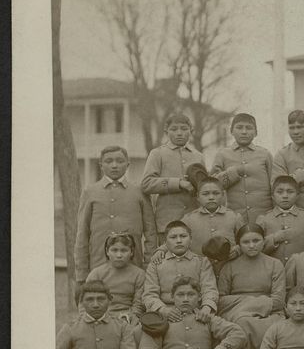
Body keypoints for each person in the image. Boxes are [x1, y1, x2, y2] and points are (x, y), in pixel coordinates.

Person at [74, 144, 156, 286]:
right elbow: (82, 235)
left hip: (133, 266)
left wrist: (149, 265)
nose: (114, 165)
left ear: (128, 164)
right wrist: (82, 274)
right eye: (108, 161)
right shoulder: (90, 192)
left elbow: (151, 233)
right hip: (98, 266)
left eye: (119, 161)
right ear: (101, 165)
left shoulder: (139, 192)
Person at [217, 223, 287, 349]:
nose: (252, 245)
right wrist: (247, 302)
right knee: (241, 323)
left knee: (271, 326)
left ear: (264, 241)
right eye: (246, 242)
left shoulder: (275, 264)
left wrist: (249, 304)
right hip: (235, 313)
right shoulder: (230, 266)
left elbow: (278, 300)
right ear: (238, 244)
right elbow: (220, 301)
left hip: (270, 313)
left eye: (256, 240)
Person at [141, 112, 205, 244]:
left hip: (193, 223)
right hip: (167, 224)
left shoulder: (198, 156)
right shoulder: (158, 153)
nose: (179, 133)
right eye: (174, 129)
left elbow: (204, 186)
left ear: (191, 131)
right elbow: (146, 184)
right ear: (166, 131)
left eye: (184, 129)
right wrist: (178, 183)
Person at [141, 220, 218, 318]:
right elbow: (149, 294)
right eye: (173, 237)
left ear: (190, 239)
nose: (179, 241)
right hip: (164, 312)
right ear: (165, 242)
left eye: (183, 236)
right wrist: (163, 310)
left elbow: (209, 289)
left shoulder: (201, 262)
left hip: (195, 312)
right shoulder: (156, 264)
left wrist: (206, 307)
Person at [211, 112, 274, 226]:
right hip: (234, 218)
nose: (244, 132)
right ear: (231, 131)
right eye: (239, 127)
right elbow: (213, 185)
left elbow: (274, 184)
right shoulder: (222, 154)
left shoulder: (265, 154)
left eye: (249, 128)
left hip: (263, 216)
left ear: (256, 133)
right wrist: (233, 172)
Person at [84, 233, 145, 331]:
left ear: (132, 252)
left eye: (124, 250)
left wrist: (133, 316)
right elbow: (86, 300)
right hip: (101, 315)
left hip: (128, 317)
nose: (119, 255)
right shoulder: (97, 274)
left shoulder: (139, 274)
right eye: (114, 250)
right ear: (107, 251)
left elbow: (138, 303)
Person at [258, 176, 304, 266]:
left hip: (301, 269)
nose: (285, 196)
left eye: (290, 192)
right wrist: (274, 239)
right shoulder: (264, 219)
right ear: (273, 196)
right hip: (273, 271)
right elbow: (256, 248)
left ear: (297, 195)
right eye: (279, 192)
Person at [180, 176, 242, 257]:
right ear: (198, 197)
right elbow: (175, 238)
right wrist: (161, 250)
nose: (211, 197)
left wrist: (238, 249)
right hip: (200, 266)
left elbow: (245, 240)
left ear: (223, 195)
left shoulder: (234, 217)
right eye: (205, 194)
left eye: (216, 193)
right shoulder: (188, 219)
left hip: (228, 265)